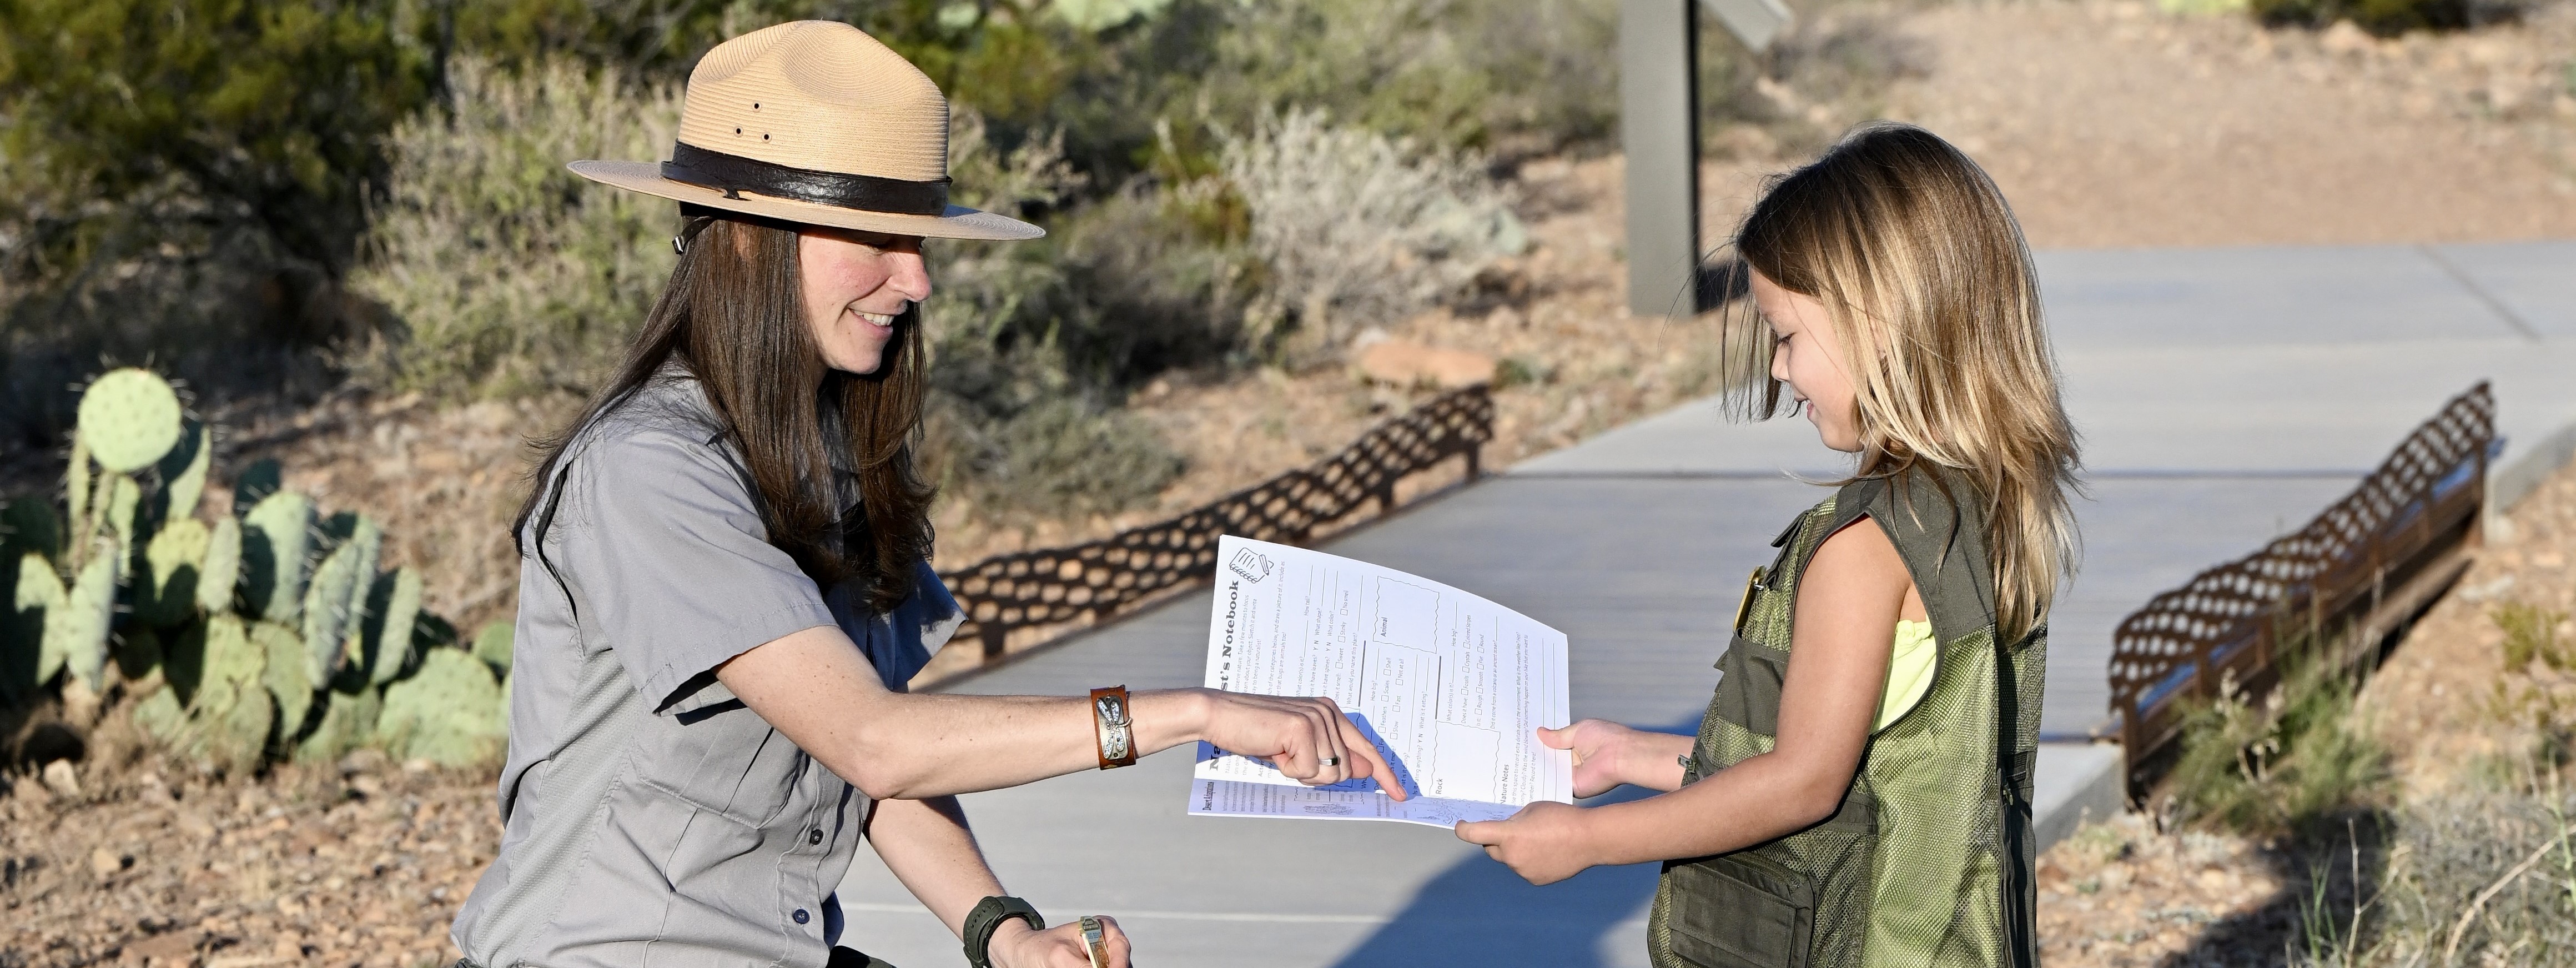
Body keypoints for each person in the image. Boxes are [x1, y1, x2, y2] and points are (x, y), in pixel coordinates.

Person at [446, 22, 1403, 968]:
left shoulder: (821, 449)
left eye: (920, 238)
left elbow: (884, 756)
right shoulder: (648, 471)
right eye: (878, 237)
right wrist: (1195, 714)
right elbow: (877, 745)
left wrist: (1003, 934)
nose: (918, 278)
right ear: (745, 241)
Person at [1453, 122, 2081, 968]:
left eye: (1787, 335)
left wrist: (1590, 842)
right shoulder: (1973, 505)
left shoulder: (1866, 545)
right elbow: (1865, 763)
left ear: (1881, 323)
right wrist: (1634, 753)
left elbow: (1801, 782)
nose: (1779, 371)